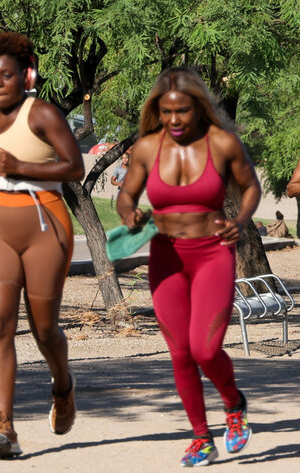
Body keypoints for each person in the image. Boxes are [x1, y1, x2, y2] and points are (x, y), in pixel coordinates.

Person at [117, 67, 259, 467]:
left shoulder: (223, 143)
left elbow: (250, 186)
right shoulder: (147, 147)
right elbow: (126, 194)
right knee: (180, 353)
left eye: (182, 111)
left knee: (204, 348)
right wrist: (128, 213)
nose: (174, 120)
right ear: (157, 112)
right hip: (165, 257)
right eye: (166, 112)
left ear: (198, 108)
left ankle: (233, 404)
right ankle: (201, 437)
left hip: (213, 253)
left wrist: (241, 220)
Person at [0, 32, 85, 459]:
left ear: (25, 75)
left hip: (44, 223)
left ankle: (63, 385)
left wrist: (22, 166)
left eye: (6, 75)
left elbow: (75, 167)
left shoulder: (43, 114)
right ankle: (4, 428)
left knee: (44, 329)